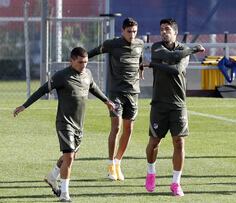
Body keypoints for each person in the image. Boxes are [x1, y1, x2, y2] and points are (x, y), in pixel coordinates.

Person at [13, 47, 115, 202]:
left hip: (79, 125)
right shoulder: (62, 76)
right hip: (64, 123)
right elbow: (42, 90)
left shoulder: (87, 74)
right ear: (71, 61)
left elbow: (93, 88)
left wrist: (107, 101)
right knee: (69, 156)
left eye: (86, 62)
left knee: (71, 155)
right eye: (80, 62)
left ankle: (52, 176)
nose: (84, 65)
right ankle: (64, 195)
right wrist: (24, 105)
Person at [144, 18, 205, 197]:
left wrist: (155, 65)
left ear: (175, 32)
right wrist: (193, 48)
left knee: (179, 142)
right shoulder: (156, 47)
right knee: (154, 142)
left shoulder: (182, 50)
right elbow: (171, 58)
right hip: (159, 104)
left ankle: (176, 183)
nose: (164, 32)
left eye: (167, 29)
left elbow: (177, 69)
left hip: (178, 104)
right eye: (161, 29)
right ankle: (151, 171)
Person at [88, 17, 144, 181]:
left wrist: (141, 71)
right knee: (116, 127)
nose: (132, 35)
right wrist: (80, 63)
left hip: (133, 93)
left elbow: (140, 59)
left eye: (134, 31)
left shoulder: (140, 44)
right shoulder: (112, 44)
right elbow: (92, 52)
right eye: (129, 31)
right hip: (116, 93)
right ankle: (111, 166)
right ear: (122, 31)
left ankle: (118, 162)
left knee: (129, 129)